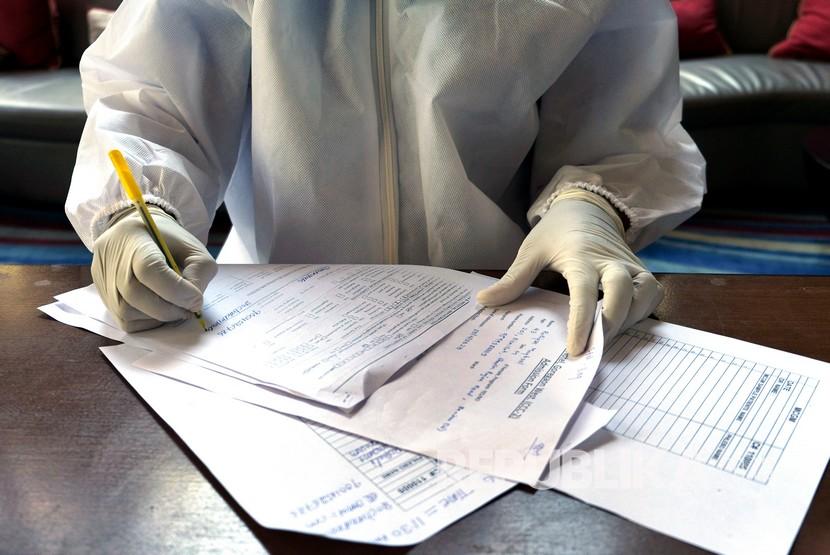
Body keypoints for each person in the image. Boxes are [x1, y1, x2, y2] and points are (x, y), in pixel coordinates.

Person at [65, 0, 705, 356]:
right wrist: (135, 210)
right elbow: (153, 97)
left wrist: (592, 204)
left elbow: (620, 114)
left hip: (507, 310)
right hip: (276, 314)